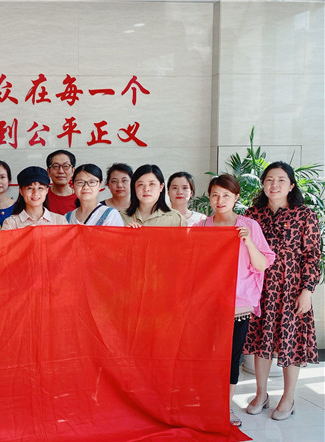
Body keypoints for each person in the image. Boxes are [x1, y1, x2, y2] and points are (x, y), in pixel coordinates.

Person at [195, 174, 275, 427]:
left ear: (236, 197)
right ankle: (206, 404)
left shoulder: (249, 226)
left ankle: (225, 407)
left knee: (230, 357)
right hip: (208, 304)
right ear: (209, 197)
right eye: (215, 195)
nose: (220, 200)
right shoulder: (201, 227)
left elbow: (262, 264)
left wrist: (248, 242)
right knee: (205, 355)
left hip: (238, 305)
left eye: (226, 195)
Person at [243, 162, 321, 421]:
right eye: (269, 179)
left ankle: (288, 397)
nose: (274, 184)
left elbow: (313, 256)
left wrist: (307, 291)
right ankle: (261, 394)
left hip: (292, 288)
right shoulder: (252, 214)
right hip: (260, 286)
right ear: (263, 184)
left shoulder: (305, 215)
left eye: (280, 180)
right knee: (261, 341)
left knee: (292, 342)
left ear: (291, 185)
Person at [2, 166, 67, 229]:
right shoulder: (11, 223)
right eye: (29, 188)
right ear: (21, 191)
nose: (35, 193)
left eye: (40, 188)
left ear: (47, 190)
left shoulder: (60, 221)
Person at [121, 164, 186, 227]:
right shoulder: (121, 217)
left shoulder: (176, 219)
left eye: (152, 184)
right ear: (134, 187)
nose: (146, 189)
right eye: (141, 184)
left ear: (161, 187)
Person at [45, 149, 78, 215]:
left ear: (73, 171)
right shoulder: (41, 196)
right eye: (56, 166)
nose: (61, 171)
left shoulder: (80, 197)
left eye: (66, 166)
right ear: (48, 171)